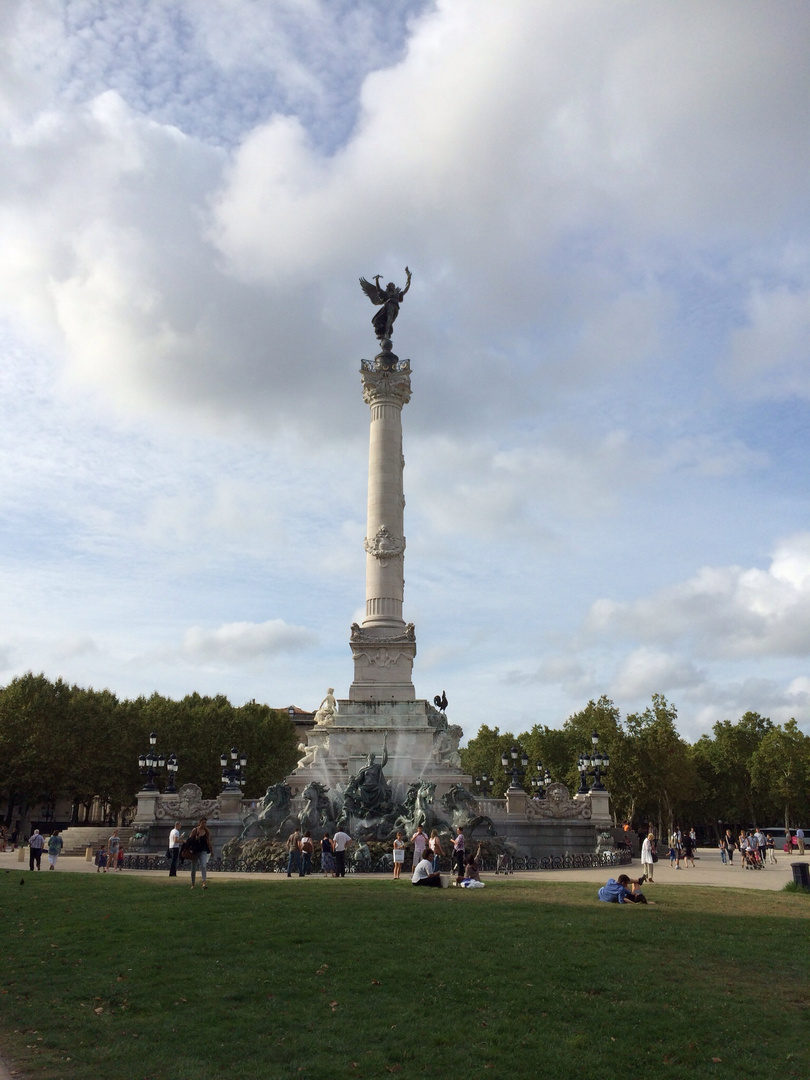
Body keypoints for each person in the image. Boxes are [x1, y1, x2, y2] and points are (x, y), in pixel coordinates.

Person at [187, 817, 213, 889]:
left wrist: (211, 850)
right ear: (200, 822)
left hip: (203, 851)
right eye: (203, 822)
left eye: (205, 823)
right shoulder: (195, 830)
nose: (204, 824)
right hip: (195, 851)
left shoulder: (206, 831)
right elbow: (189, 840)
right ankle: (193, 884)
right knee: (193, 868)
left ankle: (204, 883)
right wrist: (195, 838)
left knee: (203, 866)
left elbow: (208, 841)